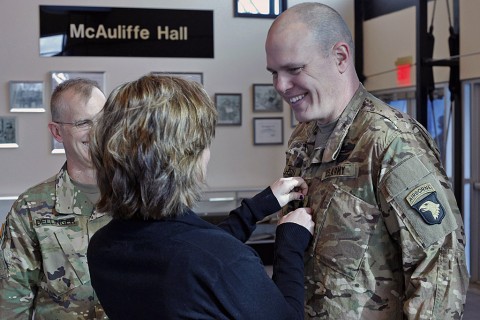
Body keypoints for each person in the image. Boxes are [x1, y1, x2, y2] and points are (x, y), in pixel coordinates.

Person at [265, 3, 469, 319]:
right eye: (274, 73)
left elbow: (440, 264)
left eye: (294, 70)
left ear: (340, 57)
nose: (280, 86)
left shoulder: (390, 141)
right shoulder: (303, 137)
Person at [86, 74, 315, 320]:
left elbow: (190, 253)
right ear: (184, 159)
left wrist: (258, 207)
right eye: (204, 143)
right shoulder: (221, 259)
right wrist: (289, 243)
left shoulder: (102, 246)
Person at [0, 78, 111, 319]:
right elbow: (12, 304)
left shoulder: (136, 198)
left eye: (102, 121)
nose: (97, 131)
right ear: (57, 132)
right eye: (83, 123)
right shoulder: (30, 209)